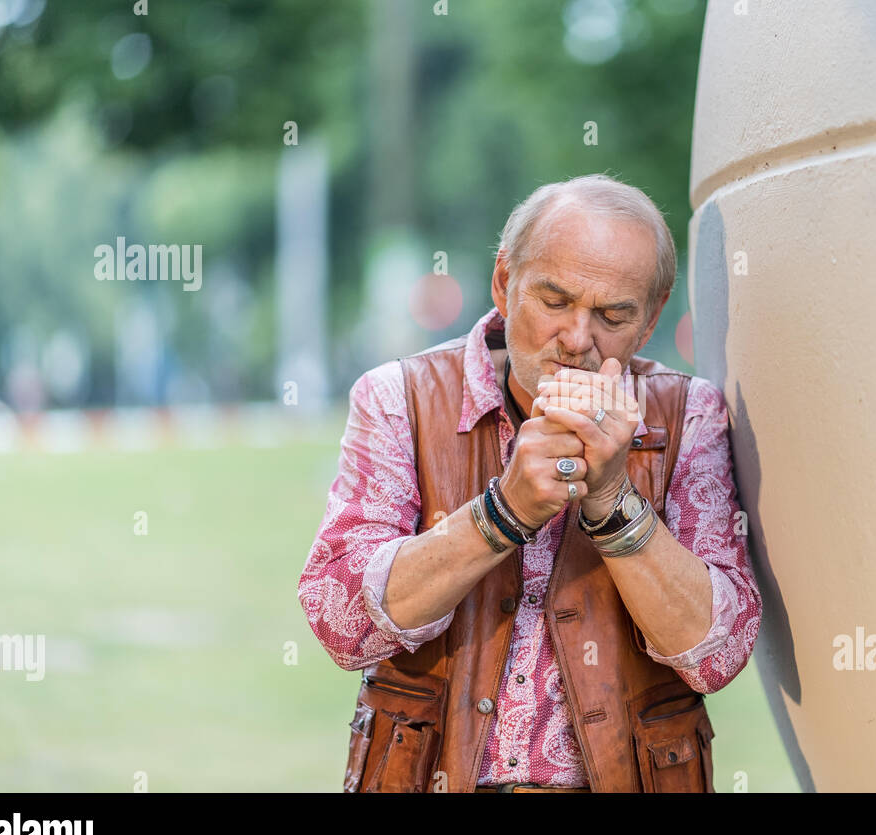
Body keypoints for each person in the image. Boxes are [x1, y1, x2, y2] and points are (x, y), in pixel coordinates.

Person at [297, 173, 762, 792]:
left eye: (613, 315)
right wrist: (502, 513)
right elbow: (343, 623)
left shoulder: (688, 414)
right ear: (503, 283)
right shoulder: (398, 399)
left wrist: (614, 504)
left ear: (650, 318)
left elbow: (719, 654)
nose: (577, 340)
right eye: (554, 300)